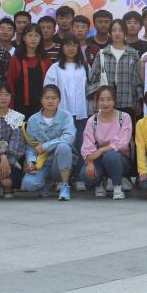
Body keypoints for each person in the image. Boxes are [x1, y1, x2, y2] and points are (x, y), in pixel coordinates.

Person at [44, 35, 89, 184]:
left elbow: (90, 88)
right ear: (62, 48)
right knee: (63, 146)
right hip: (61, 115)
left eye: (74, 45)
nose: (71, 48)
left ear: (78, 48)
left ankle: (79, 178)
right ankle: (62, 179)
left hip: (81, 114)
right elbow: (48, 90)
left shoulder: (84, 66)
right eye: (67, 45)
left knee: (80, 145)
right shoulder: (55, 67)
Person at [21, 84, 76, 201]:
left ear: (59, 100)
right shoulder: (33, 120)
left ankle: (65, 185)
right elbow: (30, 146)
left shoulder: (66, 116)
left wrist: (45, 146)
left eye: (54, 98)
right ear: (41, 100)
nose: (50, 101)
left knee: (63, 147)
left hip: (59, 160)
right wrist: (31, 161)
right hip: (42, 162)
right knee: (28, 184)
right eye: (47, 98)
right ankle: (46, 182)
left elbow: (69, 137)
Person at [80, 85, 133, 199]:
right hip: (98, 158)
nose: (105, 103)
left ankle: (117, 185)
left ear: (115, 101)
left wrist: (101, 150)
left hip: (119, 159)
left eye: (109, 99)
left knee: (111, 156)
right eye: (102, 100)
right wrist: (90, 161)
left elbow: (122, 143)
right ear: (97, 101)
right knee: (85, 175)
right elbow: (87, 144)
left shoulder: (124, 117)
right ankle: (99, 183)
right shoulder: (92, 120)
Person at [87, 19, 141, 119]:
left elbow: (137, 79)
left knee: (125, 127)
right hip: (106, 101)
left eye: (120, 30)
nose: (117, 33)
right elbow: (93, 78)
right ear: (110, 33)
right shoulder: (102, 53)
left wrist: (138, 101)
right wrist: (95, 99)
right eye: (114, 30)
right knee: (106, 127)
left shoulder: (133, 53)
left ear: (125, 32)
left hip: (127, 100)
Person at [7, 23, 52, 118]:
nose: (33, 39)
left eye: (36, 35)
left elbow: (50, 84)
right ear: (24, 38)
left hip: (42, 106)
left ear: (40, 38)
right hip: (19, 106)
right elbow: (10, 83)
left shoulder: (46, 59)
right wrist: (10, 106)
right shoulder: (15, 58)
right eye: (30, 35)